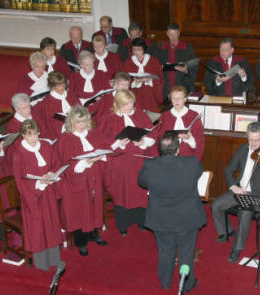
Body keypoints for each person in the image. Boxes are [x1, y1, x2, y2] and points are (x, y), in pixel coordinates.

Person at [138, 132, 205, 293]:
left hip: (161, 218)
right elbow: (198, 172)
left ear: (160, 150)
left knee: (165, 250)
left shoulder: (150, 165)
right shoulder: (191, 163)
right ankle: (187, 284)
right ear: (178, 149)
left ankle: (165, 282)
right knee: (186, 252)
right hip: (187, 217)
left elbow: (141, 182)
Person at [211, 122, 260, 263]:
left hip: (255, 194)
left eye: (257, 140)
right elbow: (228, 170)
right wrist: (233, 186)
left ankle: (237, 248)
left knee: (245, 213)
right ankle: (227, 231)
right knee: (216, 204)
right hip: (240, 190)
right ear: (247, 136)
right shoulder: (242, 149)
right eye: (250, 139)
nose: (253, 143)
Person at [98, 90, 156, 236]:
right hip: (119, 163)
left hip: (139, 161)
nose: (130, 106)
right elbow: (102, 143)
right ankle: (123, 224)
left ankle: (142, 221)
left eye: (131, 103)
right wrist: (118, 143)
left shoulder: (140, 114)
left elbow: (152, 134)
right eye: (126, 104)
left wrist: (144, 142)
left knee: (140, 191)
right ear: (118, 103)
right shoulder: (108, 118)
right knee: (122, 192)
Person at [54, 105, 108, 256]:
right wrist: (84, 163)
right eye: (78, 122)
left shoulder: (94, 134)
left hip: (94, 178)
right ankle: (81, 242)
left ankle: (94, 234)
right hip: (75, 181)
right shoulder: (65, 139)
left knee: (94, 204)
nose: (82, 125)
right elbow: (65, 162)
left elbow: (105, 148)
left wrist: (100, 156)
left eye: (84, 121)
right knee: (79, 209)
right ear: (71, 123)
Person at [12, 119, 65, 271]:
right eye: (29, 135)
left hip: (48, 193)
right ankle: (42, 264)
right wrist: (39, 184)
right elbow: (20, 180)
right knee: (38, 228)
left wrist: (51, 174)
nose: (34, 138)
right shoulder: (18, 153)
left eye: (35, 134)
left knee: (51, 224)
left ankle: (54, 259)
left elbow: (55, 164)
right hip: (32, 197)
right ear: (23, 136)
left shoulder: (47, 146)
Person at [156, 86, 205, 160]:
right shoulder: (165, 116)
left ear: (185, 99)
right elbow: (159, 138)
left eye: (179, 98)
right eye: (174, 98)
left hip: (188, 157)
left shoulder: (193, 116)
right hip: (168, 158)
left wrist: (189, 139)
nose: (176, 101)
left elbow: (200, 142)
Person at [155, 23, 198, 101]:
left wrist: (186, 70)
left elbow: (194, 67)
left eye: (175, 34)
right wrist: (174, 67)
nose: (173, 37)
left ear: (179, 33)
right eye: (170, 34)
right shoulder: (161, 47)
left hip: (182, 85)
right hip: (165, 87)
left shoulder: (187, 47)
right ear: (167, 33)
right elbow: (156, 65)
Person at [123, 38, 164, 112]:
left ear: (144, 49)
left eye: (139, 49)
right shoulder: (128, 62)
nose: (136, 52)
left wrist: (149, 79)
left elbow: (160, 78)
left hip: (151, 94)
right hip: (135, 94)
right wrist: (135, 82)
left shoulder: (154, 61)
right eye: (134, 49)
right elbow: (125, 79)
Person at [68, 50, 110, 122]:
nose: (90, 67)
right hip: (81, 109)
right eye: (87, 65)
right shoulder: (74, 77)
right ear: (81, 65)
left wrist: (101, 98)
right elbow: (71, 96)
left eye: (92, 64)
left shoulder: (101, 74)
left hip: (100, 107)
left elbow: (108, 92)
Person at [37, 71, 78, 141]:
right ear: (52, 86)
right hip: (62, 130)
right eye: (59, 85)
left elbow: (79, 109)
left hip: (78, 123)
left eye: (64, 84)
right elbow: (51, 123)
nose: (63, 87)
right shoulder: (48, 102)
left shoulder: (70, 94)